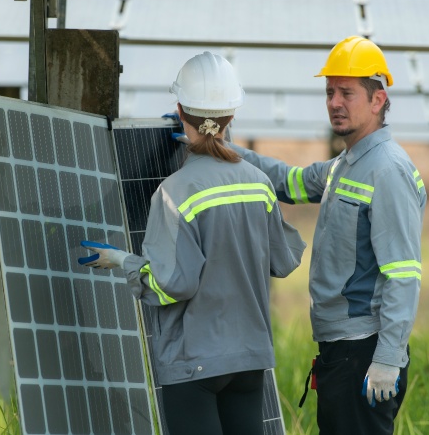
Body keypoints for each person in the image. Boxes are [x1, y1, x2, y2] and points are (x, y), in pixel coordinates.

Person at [78, 51, 306, 435]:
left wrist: (121, 261)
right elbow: (284, 260)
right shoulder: (259, 183)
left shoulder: (175, 191)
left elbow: (174, 285)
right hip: (249, 361)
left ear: (180, 109)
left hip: (193, 363)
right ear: (232, 115)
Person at [229, 36, 426, 434]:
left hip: (364, 350)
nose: (335, 102)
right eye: (330, 91)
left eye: (347, 93)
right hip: (342, 349)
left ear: (377, 100)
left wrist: (387, 359)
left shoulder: (386, 170)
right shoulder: (346, 164)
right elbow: (290, 182)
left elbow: (403, 274)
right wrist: (226, 150)